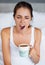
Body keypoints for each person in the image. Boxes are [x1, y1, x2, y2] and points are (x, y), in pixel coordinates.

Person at [1, 1, 42, 65]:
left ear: (31, 18)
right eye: (18, 17)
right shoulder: (5, 32)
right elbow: (7, 62)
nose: (22, 21)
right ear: (14, 17)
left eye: (26, 18)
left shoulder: (37, 32)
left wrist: (33, 54)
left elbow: (36, 61)